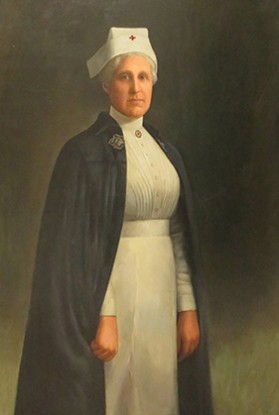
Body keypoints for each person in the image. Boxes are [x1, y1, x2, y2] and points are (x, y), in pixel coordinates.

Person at [14, 27, 212, 415]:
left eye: (143, 77)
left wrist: (187, 308)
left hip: (162, 291)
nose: (136, 88)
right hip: (111, 294)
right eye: (125, 77)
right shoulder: (83, 153)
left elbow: (177, 235)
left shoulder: (166, 151)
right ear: (107, 85)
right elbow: (82, 247)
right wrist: (103, 317)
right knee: (117, 393)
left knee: (160, 391)